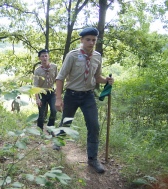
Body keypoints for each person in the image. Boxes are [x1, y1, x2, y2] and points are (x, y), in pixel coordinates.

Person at [54, 27, 114, 173]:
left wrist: (107, 80)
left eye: (94, 40)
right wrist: (58, 99)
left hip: (88, 96)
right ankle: (58, 142)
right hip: (72, 95)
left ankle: (92, 159)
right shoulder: (72, 55)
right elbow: (60, 78)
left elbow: (97, 77)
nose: (91, 42)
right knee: (66, 121)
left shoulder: (97, 56)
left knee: (94, 126)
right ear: (81, 40)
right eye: (88, 39)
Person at [33, 49, 58, 131]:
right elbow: (35, 86)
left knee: (54, 110)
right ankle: (39, 130)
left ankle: (50, 127)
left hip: (51, 92)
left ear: (49, 57)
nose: (44, 58)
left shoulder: (54, 67)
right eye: (42, 56)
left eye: (46, 56)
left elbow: (57, 79)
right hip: (41, 93)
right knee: (41, 113)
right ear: (39, 58)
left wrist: (58, 90)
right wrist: (37, 99)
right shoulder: (37, 71)